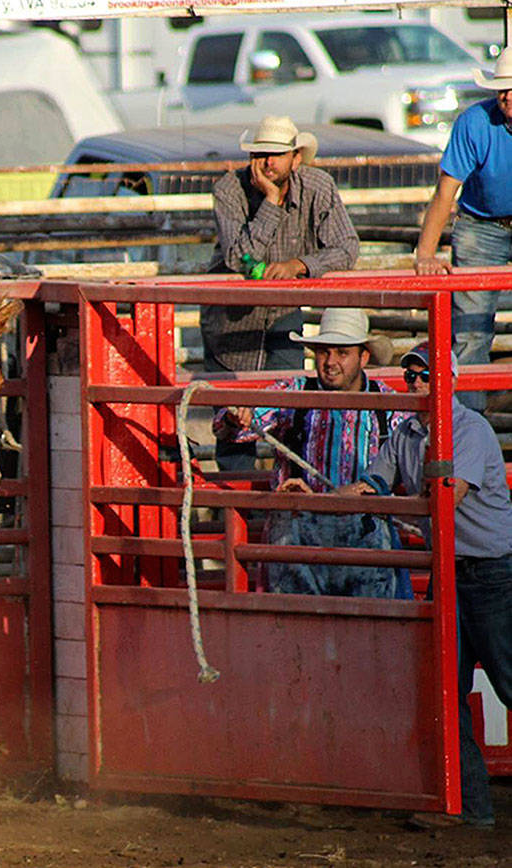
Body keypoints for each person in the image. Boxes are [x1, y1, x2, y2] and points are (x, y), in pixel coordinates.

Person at [340, 342, 512, 827]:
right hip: (456, 570)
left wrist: (381, 502)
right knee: (446, 690)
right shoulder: (409, 432)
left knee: (504, 681)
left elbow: (446, 499)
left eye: (423, 375)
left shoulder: (469, 430)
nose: (415, 383)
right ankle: (468, 808)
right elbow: (373, 482)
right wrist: (326, 496)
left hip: (491, 571)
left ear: (447, 381)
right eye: (410, 375)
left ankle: (470, 807)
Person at [214, 308, 410, 597]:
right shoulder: (294, 392)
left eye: (342, 353)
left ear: (363, 357)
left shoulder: (388, 406)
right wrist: (235, 417)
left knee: (366, 623)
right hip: (298, 526)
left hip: (363, 528)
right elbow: (233, 426)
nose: (331, 362)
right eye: (323, 352)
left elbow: (417, 458)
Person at [204, 115, 360, 471]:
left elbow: (347, 247)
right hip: (231, 321)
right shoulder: (229, 189)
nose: (267, 162)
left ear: (296, 158)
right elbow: (237, 258)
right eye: (260, 154)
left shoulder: (317, 187)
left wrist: (300, 265)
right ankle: (238, 516)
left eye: (276, 154)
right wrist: (271, 202)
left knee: (289, 416)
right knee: (233, 425)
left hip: (281, 311)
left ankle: (286, 502)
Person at [413, 52, 512, 411]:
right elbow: (446, 190)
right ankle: (469, 427)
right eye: (502, 89)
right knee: (470, 330)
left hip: (483, 222)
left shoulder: (478, 121)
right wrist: (425, 254)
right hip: (479, 223)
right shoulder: (474, 122)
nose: (508, 96)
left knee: (470, 326)